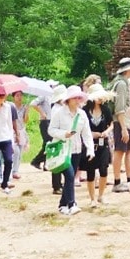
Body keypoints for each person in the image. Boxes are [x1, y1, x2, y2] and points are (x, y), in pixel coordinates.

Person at [49, 85, 94, 216]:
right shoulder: (59, 113)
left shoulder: (82, 114)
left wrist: (90, 150)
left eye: (79, 98)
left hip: (76, 150)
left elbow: (87, 133)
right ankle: (71, 203)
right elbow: (51, 130)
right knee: (69, 176)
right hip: (63, 150)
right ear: (68, 100)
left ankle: (62, 205)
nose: (77, 100)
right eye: (74, 98)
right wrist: (64, 134)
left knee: (71, 177)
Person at [109, 57, 130, 193]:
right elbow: (119, 108)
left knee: (129, 151)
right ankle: (117, 181)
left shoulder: (123, 82)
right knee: (120, 151)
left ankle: (128, 180)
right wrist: (123, 129)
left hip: (126, 121)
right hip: (121, 122)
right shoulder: (121, 84)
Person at [83, 84, 114, 207]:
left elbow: (111, 124)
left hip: (103, 143)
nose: (100, 99)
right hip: (90, 144)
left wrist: (106, 132)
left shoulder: (105, 109)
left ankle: (101, 195)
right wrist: (91, 134)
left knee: (103, 170)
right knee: (90, 171)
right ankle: (92, 198)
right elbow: (81, 127)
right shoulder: (85, 111)